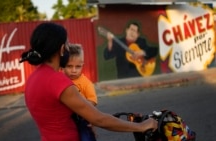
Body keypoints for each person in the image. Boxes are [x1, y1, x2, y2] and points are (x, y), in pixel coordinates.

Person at [19, 22, 157, 141]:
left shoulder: (32, 79)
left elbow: (58, 114)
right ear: (61, 49)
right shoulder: (58, 81)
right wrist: (141, 126)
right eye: (66, 44)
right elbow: (99, 119)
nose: (68, 48)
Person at [62, 43, 97, 141]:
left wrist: (85, 112)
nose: (73, 70)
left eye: (78, 67)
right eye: (69, 66)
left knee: (85, 137)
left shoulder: (86, 83)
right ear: (62, 65)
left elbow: (92, 100)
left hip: (81, 118)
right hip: (64, 119)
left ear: (83, 65)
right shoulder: (59, 80)